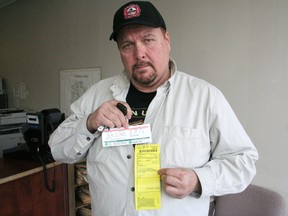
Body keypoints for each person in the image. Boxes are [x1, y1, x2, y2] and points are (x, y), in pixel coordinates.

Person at [49, 1, 258, 215]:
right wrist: (89, 123)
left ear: (167, 40)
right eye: (127, 45)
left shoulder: (205, 97)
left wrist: (198, 180)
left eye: (148, 39)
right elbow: (57, 149)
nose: (139, 53)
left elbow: (243, 162)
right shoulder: (97, 94)